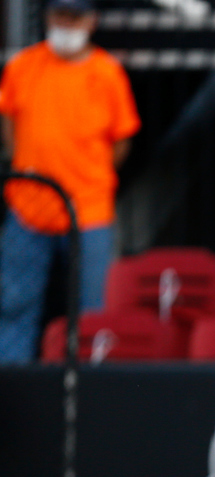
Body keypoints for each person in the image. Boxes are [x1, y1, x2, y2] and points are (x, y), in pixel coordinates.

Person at [0, 0, 140, 363]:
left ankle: (85, 390)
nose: (65, 24)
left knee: (91, 312)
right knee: (13, 306)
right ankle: (12, 389)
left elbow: (121, 141)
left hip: (88, 211)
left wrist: (86, 174)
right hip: (28, 208)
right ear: (48, 17)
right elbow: (8, 121)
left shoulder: (107, 73)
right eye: (60, 15)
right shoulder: (23, 66)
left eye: (74, 17)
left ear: (91, 21)